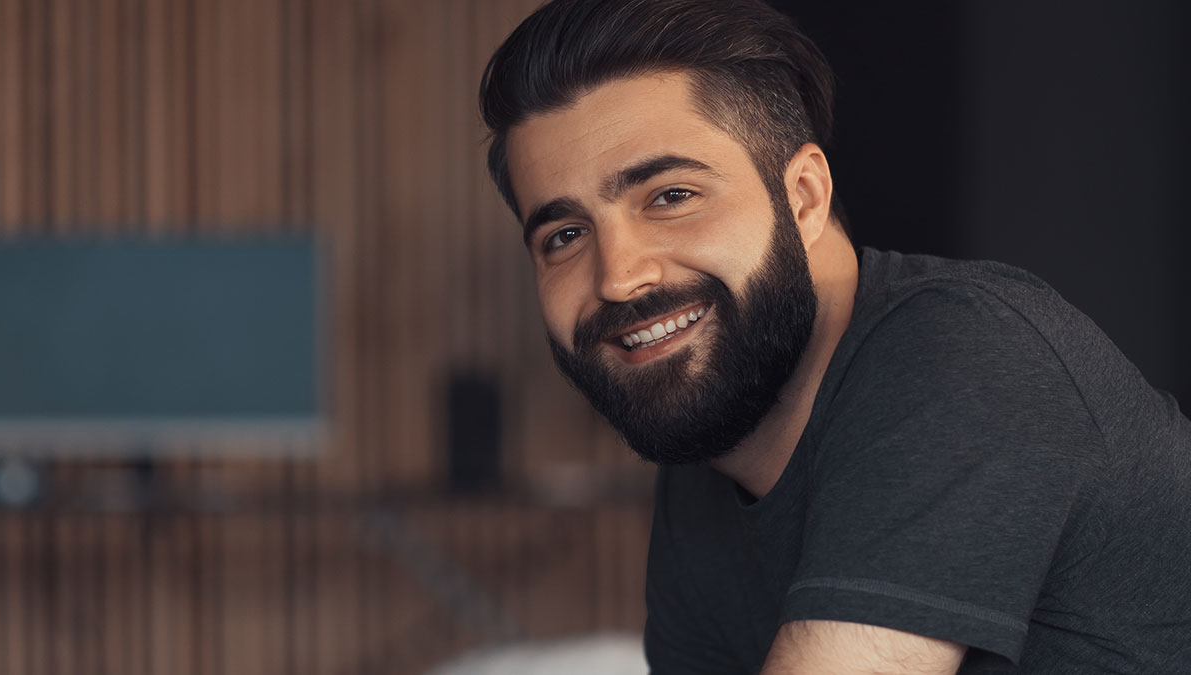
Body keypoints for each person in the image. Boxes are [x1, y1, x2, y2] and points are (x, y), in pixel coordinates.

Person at [477, 0, 1191, 672]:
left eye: (671, 197)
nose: (619, 277)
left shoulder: (964, 356)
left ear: (805, 196)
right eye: (565, 235)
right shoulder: (706, 460)